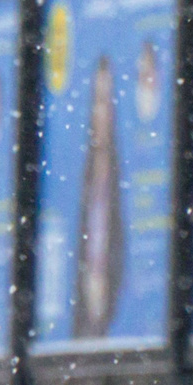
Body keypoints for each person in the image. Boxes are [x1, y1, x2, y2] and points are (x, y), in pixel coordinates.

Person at [73, 55, 124, 340]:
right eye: (96, 102)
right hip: (84, 323)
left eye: (106, 102)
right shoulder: (83, 178)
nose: (101, 112)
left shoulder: (120, 179)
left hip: (110, 320)